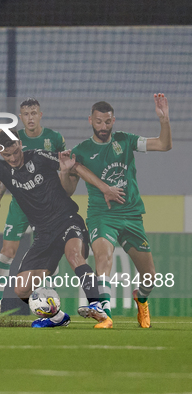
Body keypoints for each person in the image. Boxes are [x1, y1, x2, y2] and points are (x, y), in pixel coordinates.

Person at [0, 116, 124, 328]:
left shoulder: (39, 157)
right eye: (7, 154)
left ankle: (96, 305)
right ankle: (57, 318)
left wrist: (104, 188)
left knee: (74, 255)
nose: (14, 157)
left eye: (16, 151)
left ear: (20, 144)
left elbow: (75, 166)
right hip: (43, 234)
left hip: (67, 220)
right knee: (21, 289)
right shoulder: (3, 170)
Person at [62, 94, 172, 328]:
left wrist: (164, 120)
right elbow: (68, 190)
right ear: (90, 120)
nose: (103, 127)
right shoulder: (81, 150)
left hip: (132, 216)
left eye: (108, 122)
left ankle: (141, 299)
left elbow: (164, 145)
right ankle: (105, 314)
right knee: (104, 257)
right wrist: (65, 172)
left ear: (114, 121)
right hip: (102, 216)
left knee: (150, 277)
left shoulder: (126, 141)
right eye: (99, 122)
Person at [0, 98, 66, 320]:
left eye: (34, 113)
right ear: (21, 117)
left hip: (47, 207)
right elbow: (6, 172)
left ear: (40, 114)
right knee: (7, 252)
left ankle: (49, 305)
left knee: (45, 256)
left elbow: (66, 168)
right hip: (20, 203)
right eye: (26, 114)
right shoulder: (14, 139)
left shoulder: (55, 138)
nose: (30, 118)